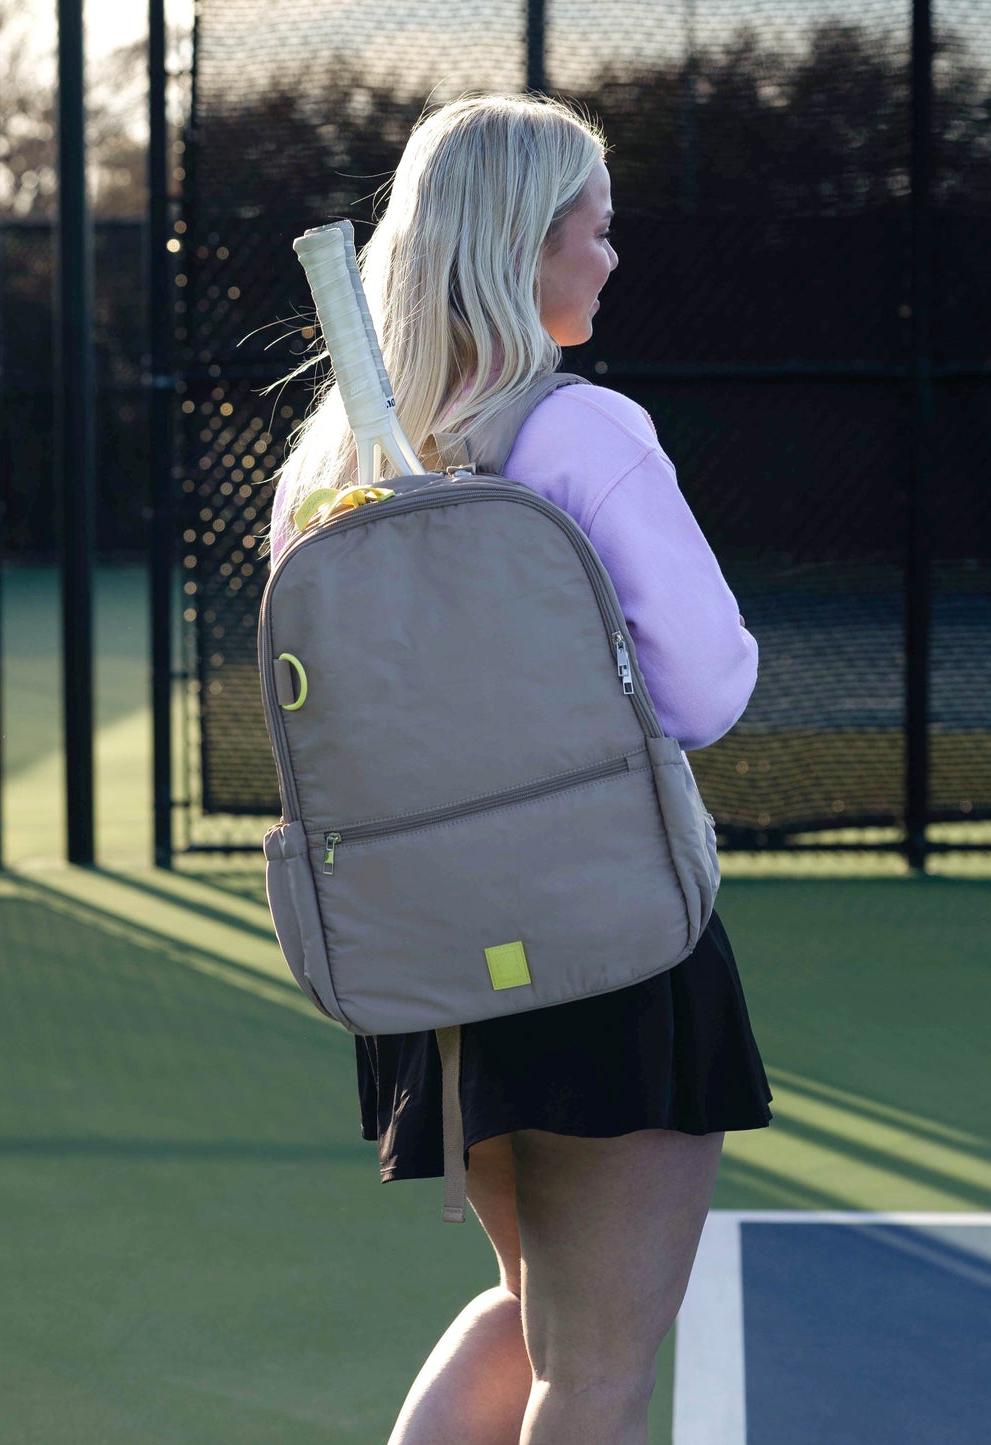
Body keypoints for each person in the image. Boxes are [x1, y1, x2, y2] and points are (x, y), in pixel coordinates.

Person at [266, 93, 771, 1445]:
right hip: (604, 940)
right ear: (521, 246)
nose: (609, 260)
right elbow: (707, 688)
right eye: (593, 231)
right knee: (597, 1359)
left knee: (528, 1305)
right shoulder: (579, 434)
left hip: (426, 956)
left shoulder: (320, 470)